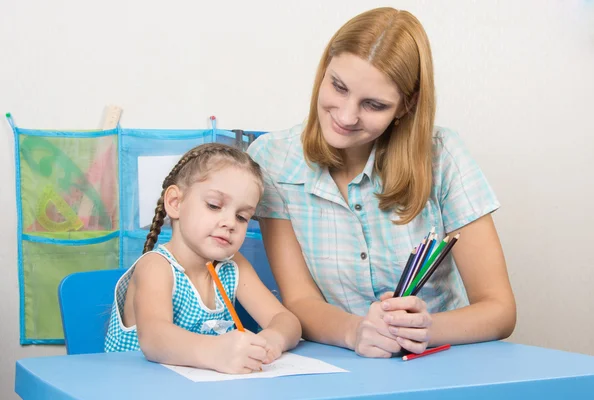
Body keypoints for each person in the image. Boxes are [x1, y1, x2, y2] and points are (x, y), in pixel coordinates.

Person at [246, 7, 516, 358]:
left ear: (406, 105)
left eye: (374, 104)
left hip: (440, 363)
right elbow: (299, 299)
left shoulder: (443, 156)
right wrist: (356, 332)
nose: (346, 116)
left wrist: (427, 328)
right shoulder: (273, 159)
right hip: (346, 363)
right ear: (324, 70)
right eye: (338, 86)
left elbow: (499, 309)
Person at [105, 143, 301, 373]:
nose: (230, 223)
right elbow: (154, 339)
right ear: (175, 203)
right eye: (214, 205)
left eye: (241, 216)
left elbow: (287, 320)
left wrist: (271, 340)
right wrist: (217, 351)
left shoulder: (233, 266)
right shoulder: (155, 266)